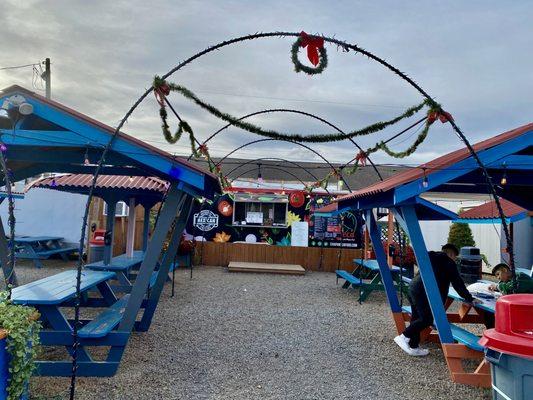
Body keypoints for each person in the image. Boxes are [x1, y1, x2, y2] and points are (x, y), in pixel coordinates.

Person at [394, 244, 477, 356]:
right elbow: (458, 284)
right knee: (427, 319)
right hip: (424, 291)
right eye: (455, 257)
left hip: (413, 287)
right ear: (451, 254)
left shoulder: (430, 257)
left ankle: (414, 346)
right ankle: (403, 336)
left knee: (416, 317)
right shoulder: (448, 262)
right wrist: (469, 298)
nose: (455, 259)